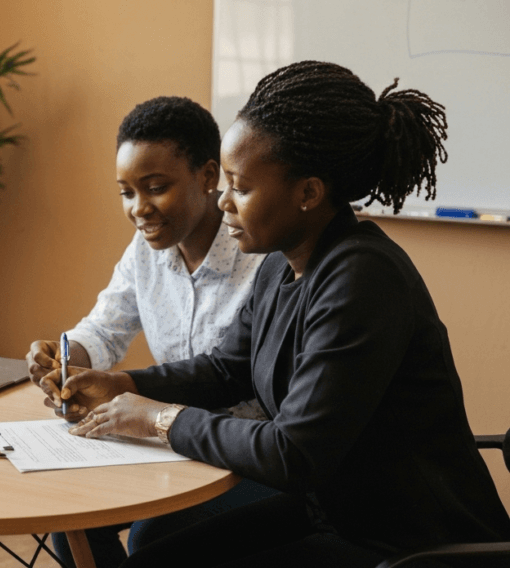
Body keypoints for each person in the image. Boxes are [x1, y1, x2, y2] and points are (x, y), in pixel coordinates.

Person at [56, 60, 510, 567]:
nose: (223, 201)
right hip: (333, 514)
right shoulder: (280, 265)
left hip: (406, 544)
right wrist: (125, 385)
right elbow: (225, 369)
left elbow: (293, 453)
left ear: (309, 193)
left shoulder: (362, 278)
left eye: (240, 186)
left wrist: (157, 419)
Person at [25, 96, 272, 568]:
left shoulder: (261, 255)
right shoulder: (146, 250)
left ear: (207, 176)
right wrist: (64, 355)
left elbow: (233, 376)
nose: (140, 209)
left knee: (152, 538)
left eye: (156, 187)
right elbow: (105, 328)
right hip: (164, 437)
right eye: (126, 192)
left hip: (242, 453)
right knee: (71, 514)